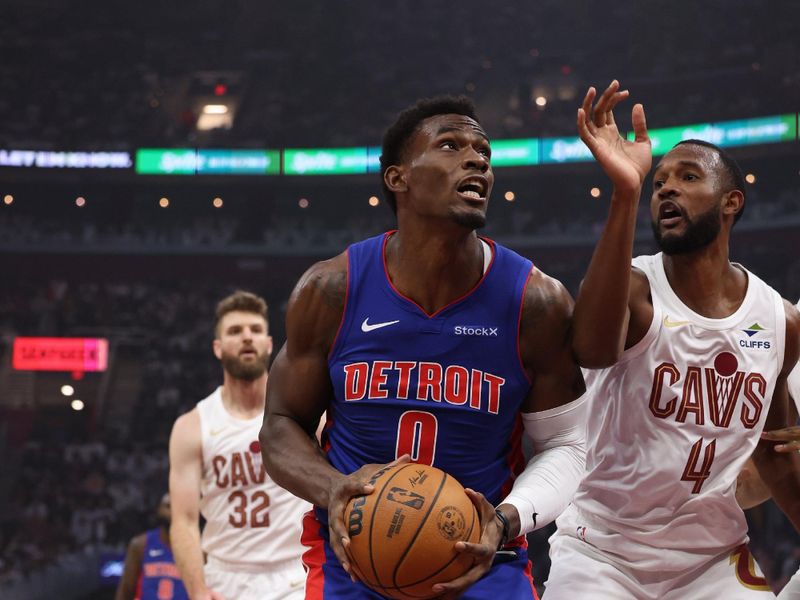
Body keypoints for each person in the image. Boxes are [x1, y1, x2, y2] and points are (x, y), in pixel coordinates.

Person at [260, 96, 588, 600]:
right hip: (357, 557)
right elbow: (280, 425)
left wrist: (504, 520)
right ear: (399, 178)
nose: (478, 159)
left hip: (483, 559)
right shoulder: (331, 289)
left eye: (484, 151)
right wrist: (332, 490)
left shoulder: (537, 302)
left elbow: (566, 446)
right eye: (451, 145)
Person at [543, 81, 800, 599]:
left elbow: (774, 452)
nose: (666, 189)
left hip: (711, 559)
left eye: (687, 177)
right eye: (659, 182)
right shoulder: (635, 288)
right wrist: (625, 193)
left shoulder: (780, 321)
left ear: (731, 201)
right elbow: (591, 350)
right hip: (602, 553)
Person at [169, 291, 310, 600]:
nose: (247, 337)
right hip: (225, 577)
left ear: (270, 344)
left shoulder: (306, 409)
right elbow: (184, 521)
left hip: (297, 572)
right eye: (235, 331)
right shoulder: (192, 425)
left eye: (256, 330)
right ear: (218, 348)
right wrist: (197, 590)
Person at [115, 493, 189, 600]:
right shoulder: (140, 545)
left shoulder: (200, 548)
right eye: (168, 506)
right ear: (158, 510)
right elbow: (126, 591)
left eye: (177, 506)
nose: (172, 511)